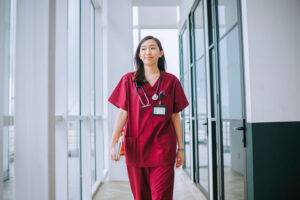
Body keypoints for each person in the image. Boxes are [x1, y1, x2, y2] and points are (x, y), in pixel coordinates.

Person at [108, 35, 189, 200]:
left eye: (152, 48)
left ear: (160, 53)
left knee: (161, 196)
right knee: (140, 196)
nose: (147, 52)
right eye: (143, 49)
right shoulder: (128, 80)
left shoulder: (171, 81)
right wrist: (113, 143)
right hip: (136, 148)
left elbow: (175, 116)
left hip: (163, 148)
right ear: (139, 55)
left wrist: (181, 148)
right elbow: (123, 113)